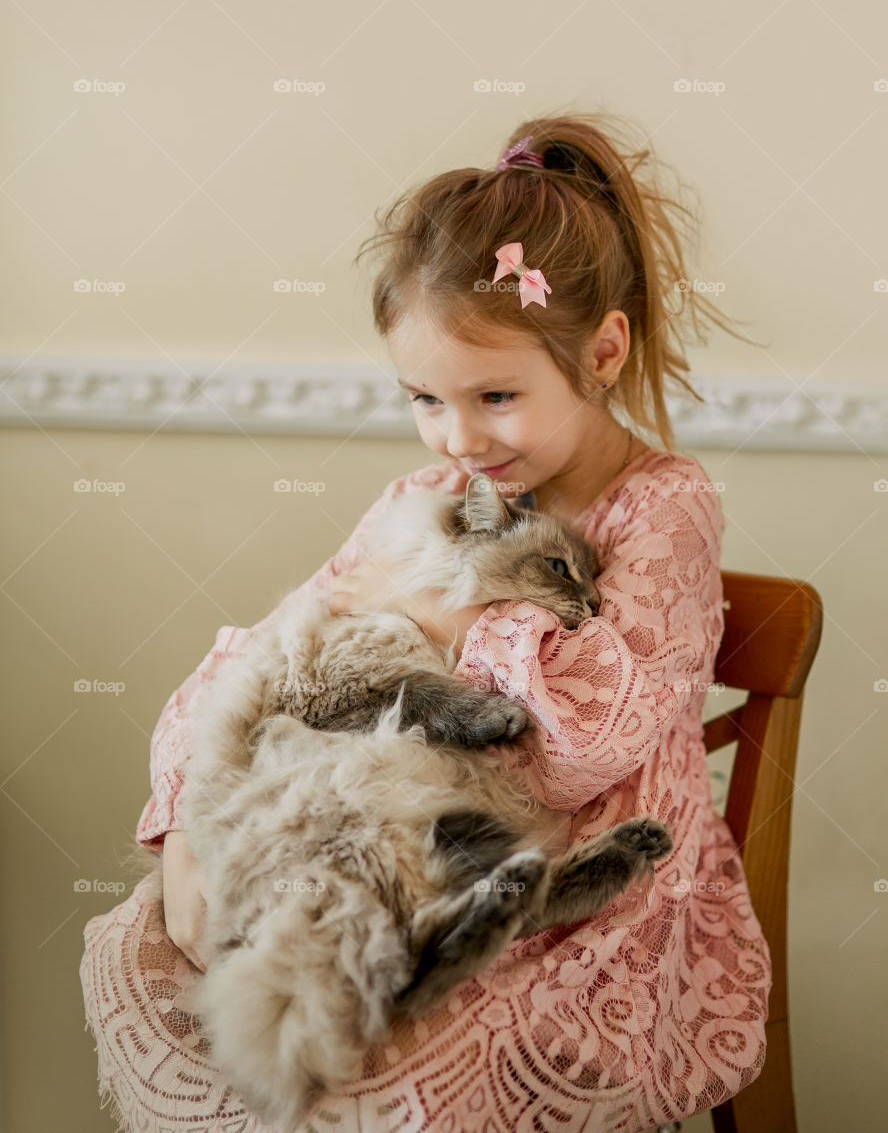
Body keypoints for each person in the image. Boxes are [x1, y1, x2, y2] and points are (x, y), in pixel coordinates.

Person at [80, 112, 772, 1132]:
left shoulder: (663, 505)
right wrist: (189, 819)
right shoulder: (427, 493)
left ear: (605, 349)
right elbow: (273, 653)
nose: (459, 437)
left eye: (495, 394)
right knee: (143, 969)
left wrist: (441, 606)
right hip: (378, 848)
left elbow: (597, 735)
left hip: (585, 918)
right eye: (424, 399)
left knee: (371, 1088)